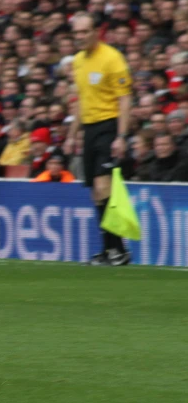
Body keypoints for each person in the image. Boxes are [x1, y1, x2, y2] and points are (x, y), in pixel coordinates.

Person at [65, 13, 132, 266]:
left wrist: (122, 135)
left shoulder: (112, 58)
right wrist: (73, 134)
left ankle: (117, 251)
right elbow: (81, 100)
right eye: (76, 33)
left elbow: (124, 98)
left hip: (109, 125)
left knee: (104, 187)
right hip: (90, 130)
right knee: (96, 193)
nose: (80, 37)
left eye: (84, 32)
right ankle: (111, 250)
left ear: (97, 32)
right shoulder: (78, 61)